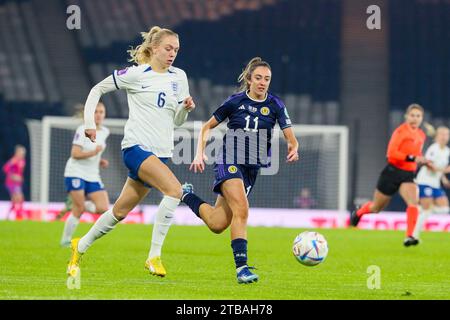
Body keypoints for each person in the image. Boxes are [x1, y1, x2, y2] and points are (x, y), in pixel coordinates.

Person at [67, 26, 195, 278]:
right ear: (155, 48)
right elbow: (97, 90)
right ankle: (153, 257)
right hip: (136, 148)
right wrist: (90, 124)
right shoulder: (137, 74)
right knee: (175, 191)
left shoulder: (179, 77)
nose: (172, 54)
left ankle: (79, 246)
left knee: (119, 212)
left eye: (176, 50)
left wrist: (186, 109)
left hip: (161, 152)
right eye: (168, 48)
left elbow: (177, 121)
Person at [182, 57, 299, 284]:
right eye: (258, 78)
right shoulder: (235, 102)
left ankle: (185, 194)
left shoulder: (276, 105)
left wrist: (293, 148)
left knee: (217, 224)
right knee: (242, 210)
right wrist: (199, 152)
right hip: (229, 160)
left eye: (266, 79)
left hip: (251, 168)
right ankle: (242, 268)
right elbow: (207, 126)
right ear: (249, 79)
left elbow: (291, 138)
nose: (262, 82)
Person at [350, 104, 431, 247]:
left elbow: (416, 155)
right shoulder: (400, 132)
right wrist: (413, 158)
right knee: (376, 208)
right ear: (407, 116)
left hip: (408, 175)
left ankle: (409, 236)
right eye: (412, 115)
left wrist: (422, 160)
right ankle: (359, 212)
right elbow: (391, 154)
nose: (415, 118)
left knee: (413, 203)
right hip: (392, 172)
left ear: (421, 118)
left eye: (418, 116)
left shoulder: (421, 135)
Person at [59, 102, 110, 247]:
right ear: (90, 115)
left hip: (92, 174)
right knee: (79, 209)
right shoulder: (83, 129)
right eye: (96, 112)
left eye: (101, 112)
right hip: (75, 172)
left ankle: (76, 203)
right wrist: (93, 153)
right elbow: (75, 154)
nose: (99, 115)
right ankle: (65, 240)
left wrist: (100, 161)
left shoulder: (105, 132)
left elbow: (94, 153)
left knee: (103, 208)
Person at [413, 126, 450, 240]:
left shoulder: (447, 151)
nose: (444, 137)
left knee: (445, 208)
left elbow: (441, 167)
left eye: (446, 134)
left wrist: (443, 178)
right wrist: (444, 171)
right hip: (425, 181)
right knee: (426, 209)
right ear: (437, 136)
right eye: (442, 134)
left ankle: (420, 209)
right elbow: (428, 165)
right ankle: (414, 235)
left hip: (435, 183)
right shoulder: (433, 148)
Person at [2, 145, 26, 220]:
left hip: (17, 184)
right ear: (17, 153)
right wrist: (13, 176)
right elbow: (5, 169)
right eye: (21, 153)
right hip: (11, 183)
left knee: (15, 200)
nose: (23, 155)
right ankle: (19, 215)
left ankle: (8, 216)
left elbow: (20, 173)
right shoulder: (13, 160)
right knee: (20, 198)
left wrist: (19, 178)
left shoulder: (22, 162)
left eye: (23, 154)